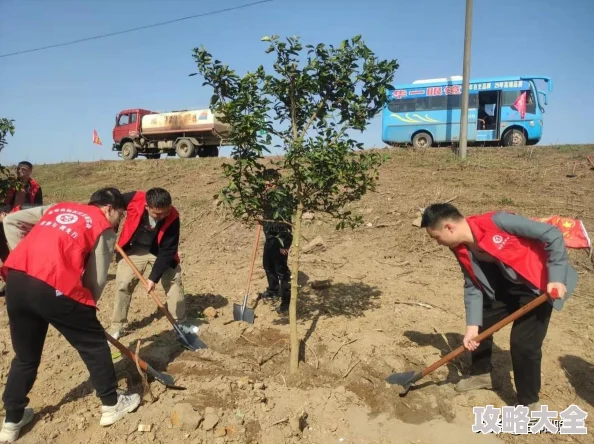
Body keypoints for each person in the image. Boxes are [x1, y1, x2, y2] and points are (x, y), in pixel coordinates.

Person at [0, 188, 141, 443]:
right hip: (54, 286)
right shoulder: (102, 226)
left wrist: (26, 259)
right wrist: (87, 312)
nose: (118, 223)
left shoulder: (58, 207)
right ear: (109, 208)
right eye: (120, 216)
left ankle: (11, 421)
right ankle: (111, 404)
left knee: (25, 357)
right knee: (94, 344)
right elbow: (96, 278)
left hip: (17, 281)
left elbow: (11, 221)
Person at [420, 203, 578, 411]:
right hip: (507, 288)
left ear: (449, 227)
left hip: (538, 287)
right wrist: (472, 329)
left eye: (436, 237)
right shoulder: (459, 247)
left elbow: (552, 233)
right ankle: (482, 375)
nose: (437, 243)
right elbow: (472, 285)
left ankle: (529, 402)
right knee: (482, 323)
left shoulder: (499, 221)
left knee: (523, 344)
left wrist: (556, 277)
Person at [109, 188, 194, 339]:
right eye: (157, 213)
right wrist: (112, 226)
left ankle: (179, 322)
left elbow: (168, 250)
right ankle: (117, 326)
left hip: (159, 250)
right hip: (133, 249)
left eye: (165, 212)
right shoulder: (135, 199)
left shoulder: (173, 216)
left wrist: (153, 277)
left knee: (174, 280)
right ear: (147, 207)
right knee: (124, 283)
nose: (162, 217)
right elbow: (112, 207)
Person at [258, 169, 294, 314]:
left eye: (269, 183)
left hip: (281, 237)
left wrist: (285, 245)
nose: (266, 186)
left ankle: (286, 300)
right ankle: (273, 289)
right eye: (265, 184)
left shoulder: (283, 196)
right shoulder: (267, 196)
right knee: (267, 264)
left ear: (276, 181)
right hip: (270, 237)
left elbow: (283, 222)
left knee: (281, 269)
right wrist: (262, 220)